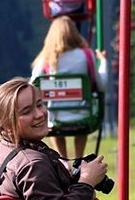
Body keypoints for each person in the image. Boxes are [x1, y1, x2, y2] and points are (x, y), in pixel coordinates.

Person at [30, 16, 108, 161]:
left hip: (54, 117)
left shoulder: (46, 59)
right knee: (80, 114)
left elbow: (33, 84)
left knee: (54, 118)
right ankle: (79, 158)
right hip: (83, 115)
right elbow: (101, 85)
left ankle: (63, 160)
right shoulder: (86, 55)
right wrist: (103, 62)